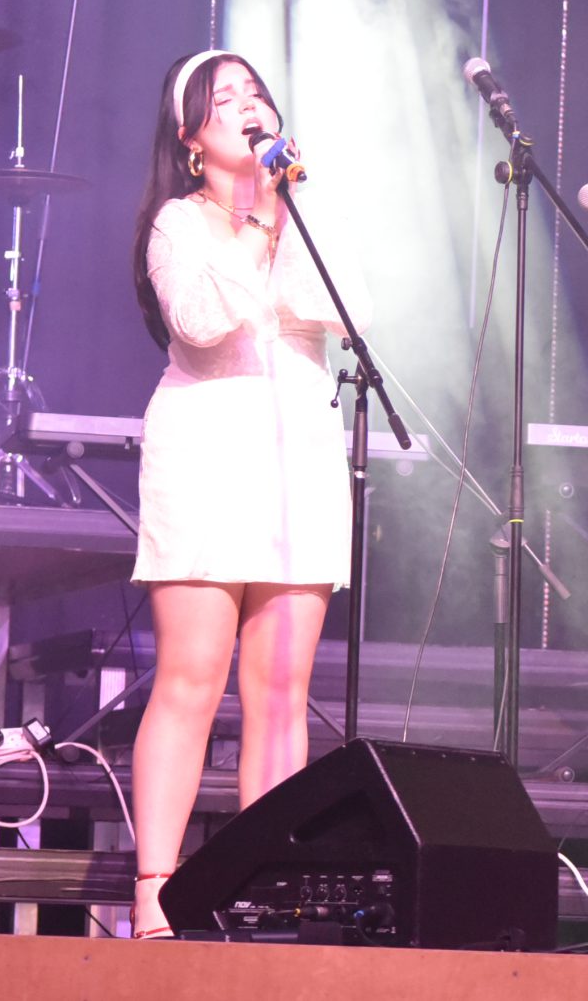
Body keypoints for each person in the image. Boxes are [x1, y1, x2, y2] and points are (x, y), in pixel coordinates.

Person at [125, 49, 350, 939]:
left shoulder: (304, 211)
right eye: (226, 98)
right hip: (206, 455)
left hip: (300, 456)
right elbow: (201, 323)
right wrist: (255, 223)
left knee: (282, 689)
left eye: (256, 93)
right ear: (190, 137)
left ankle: (267, 886)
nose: (249, 105)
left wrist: (285, 211)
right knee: (192, 679)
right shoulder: (177, 224)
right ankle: (155, 888)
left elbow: (350, 311)